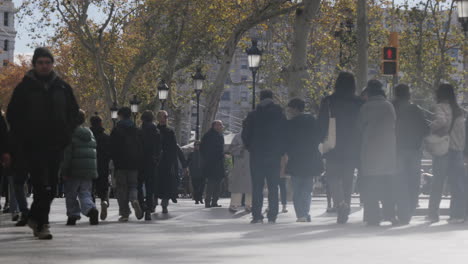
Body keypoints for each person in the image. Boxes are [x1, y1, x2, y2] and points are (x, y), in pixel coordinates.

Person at [7, 47, 79, 239]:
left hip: (56, 144)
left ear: (52, 64)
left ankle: (33, 217)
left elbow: (74, 113)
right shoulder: (24, 88)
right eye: (40, 62)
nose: (44, 66)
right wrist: (17, 143)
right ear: (35, 64)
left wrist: (66, 133)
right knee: (41, 185)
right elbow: (13, 117)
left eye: (48, 62)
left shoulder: (62, 87)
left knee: (52, 187)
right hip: (32, 145)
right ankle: (43, 224)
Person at [318, 72, 363, 224]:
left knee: (332, 177)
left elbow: (321, 123)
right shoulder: (359, 102)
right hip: (352, 145)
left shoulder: (329, 101)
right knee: (348, 179)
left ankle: (340, 204)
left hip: (333, 143)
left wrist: (320, 140)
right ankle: (346, 207)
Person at [242, 90, 287, 224]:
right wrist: (281, 150)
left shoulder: (252, 115)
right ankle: (272, 215)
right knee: (273, 186)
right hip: (274, 155)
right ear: (272, 98)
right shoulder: (279, 114)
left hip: (257, 155)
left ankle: (257, 215)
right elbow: (286, 133)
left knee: (257, 186)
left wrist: (252, 148)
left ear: (260, 99)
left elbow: (245, 135)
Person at [357, 79, 396, 226]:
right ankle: (390, 215)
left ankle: (373, 217)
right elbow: (394, 124)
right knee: (387, 185)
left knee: (371, 186)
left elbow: (359, 127)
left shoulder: (365, 107)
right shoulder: (389, 106)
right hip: (387, 151)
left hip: (370, 151)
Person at [427, 83, 466, 224]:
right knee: (457, 184)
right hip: (457, 151)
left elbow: (441, 121)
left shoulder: (441, 107)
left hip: (444, 150)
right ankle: (457, 213)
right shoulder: (460, 111)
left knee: (438, 182)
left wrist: (432, 128)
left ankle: (433, 214)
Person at [392, 84, 429, 225]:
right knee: (413, 180)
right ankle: (410, 209)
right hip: (414, 150)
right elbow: (425, 129)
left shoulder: (393, 107)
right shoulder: (415, 109)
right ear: (408, 94)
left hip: (397, 150)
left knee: (400, 181)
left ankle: (402, 211)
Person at [285, 98, 323, 222]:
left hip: (296, 160)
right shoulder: (312, 120)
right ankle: (305, 213)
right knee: (307, 189)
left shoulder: (290, 123)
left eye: (290, 109)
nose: (289, 111)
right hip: (311, 159)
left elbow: (287, 142)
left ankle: (301, 214)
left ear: (295, 109)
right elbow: (319, 137)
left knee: (297, 189)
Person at [62, 110, 99, 226]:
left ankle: (73, 215)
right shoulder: (89, 133)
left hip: (74, 169)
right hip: (88, 169)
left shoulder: (70, 133)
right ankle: (91, 209)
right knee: (85, 192)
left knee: (71, 193)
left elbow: (67, 154)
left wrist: (64, 169)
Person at [110, 107, 144, 222]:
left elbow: (112, 148)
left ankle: (124, 213)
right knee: (133, 185)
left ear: (120, 116)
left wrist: (113, 160)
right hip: (134, 163)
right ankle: (134, 199)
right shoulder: (136, 129)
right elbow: (140, 147)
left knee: (121, 188)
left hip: (120, 164)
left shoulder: (116, 130)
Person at [137, 110, 161, 221]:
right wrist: (156, 159)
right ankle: (149, 209)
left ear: (142, 119)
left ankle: (142, 205)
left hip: (140, 161)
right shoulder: (156, 131)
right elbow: (159, 148)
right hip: (151, 162)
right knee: (150, 186)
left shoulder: (139, 131)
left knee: (139, 186)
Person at [156, 110, 181, 214]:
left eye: (166, 116)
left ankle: (164, 204)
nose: (166, 118)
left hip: (167, 162)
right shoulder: (155, 130)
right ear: (158, 118)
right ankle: (153, 202)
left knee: (166, 184)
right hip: (156, 162)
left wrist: (174, 163)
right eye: (164, 116)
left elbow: (174, 148)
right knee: (156, 183)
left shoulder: (170, 131)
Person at [90, 113, 111, 221]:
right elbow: (110, 153)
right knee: (103, 188)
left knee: (90, 189)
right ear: (101, 123)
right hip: (103, 166)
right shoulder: (106, 137)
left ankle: (93, 209)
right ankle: (104, 201)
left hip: (90, 166)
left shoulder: (88, 137)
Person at [200, 120, 225, 208]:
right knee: (211, 183)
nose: (221, 127)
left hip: (219, 163)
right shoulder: (208, 135)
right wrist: (208, 158)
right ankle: (208, 202)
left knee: (218, 184)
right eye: (219, 125)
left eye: (221, 125)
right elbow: (202, 148)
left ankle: (214, 201)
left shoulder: (220, 135)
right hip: (211, 163)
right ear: (214, 126)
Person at [228, 129, 252, 213]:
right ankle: (234, 204)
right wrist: (241, 148)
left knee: (251, 185)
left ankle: (249, 204)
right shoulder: (238, 136)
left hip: (251, 163)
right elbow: (231, 149)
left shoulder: (255, 135)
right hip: (240, 164)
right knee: (237, 184)